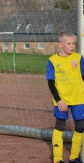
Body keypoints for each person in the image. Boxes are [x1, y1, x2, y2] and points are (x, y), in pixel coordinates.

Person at [47, 31, 84, 163]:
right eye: (69, 43)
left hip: (78, 99)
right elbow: (51, 83)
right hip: (61, 100)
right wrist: (59, 100)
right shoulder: (52, 61)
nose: (72, 46)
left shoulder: (79, 58)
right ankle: (57, 158)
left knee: (80, 127)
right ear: (60, 45)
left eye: (74, 43)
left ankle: (74, 157)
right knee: (60, 126)